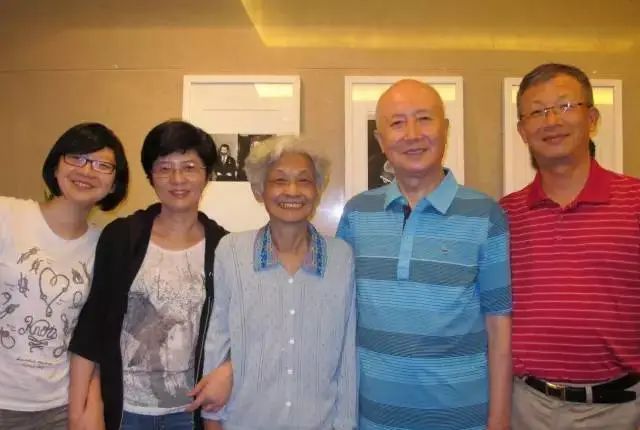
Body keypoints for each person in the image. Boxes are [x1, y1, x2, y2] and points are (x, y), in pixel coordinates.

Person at [337, 79, 512, 430]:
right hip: (374, 420)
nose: (412, 134)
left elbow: (499, 328)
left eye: (424, 119)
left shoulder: (485, 214)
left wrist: (499, 420)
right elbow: (339, 319)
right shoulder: (357, 213)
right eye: (397, 123)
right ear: (380, 140)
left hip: (463, 419)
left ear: (445, 129)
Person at [500, 63, 640, 430]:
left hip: (622, 410)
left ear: (591, 118)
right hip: (527, 407)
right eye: (537, 112)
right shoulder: (504, 215)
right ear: (522, 131)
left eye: (564, 106)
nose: (551, 121)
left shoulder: (635, 202)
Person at [68, 120, 230, 430]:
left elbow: (235, 332)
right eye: (164, 168)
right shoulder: (122, 237)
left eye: (189, 167)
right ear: (150, 177)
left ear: (207, 175)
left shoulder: (223, 247)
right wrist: (78, 412)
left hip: (189, 413)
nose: (177, 179)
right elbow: (92, 326)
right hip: (125, 411)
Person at [195, 136, 357, 430]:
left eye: (304, 180)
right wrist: (212, 421)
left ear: (317, 190)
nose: (292, 191)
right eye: (280, 180)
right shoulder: (232, 251)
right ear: (259, 190)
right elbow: (217, 341)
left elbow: (347, 354)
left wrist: (346, 424)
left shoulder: (341, 256)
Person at [0, 122, 129, 429]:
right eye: (77, 157)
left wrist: (89, 404)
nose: (87, 171)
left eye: (102, 165)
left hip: (57, 407)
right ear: (55, 167)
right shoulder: (8, 215)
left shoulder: (106, 245)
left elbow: (96, 332)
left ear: (114, 184)